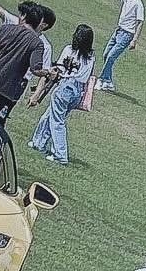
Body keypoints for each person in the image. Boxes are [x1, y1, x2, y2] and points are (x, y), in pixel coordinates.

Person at [29, 23, 96, 166]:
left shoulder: (68, 50)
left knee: (57, 121)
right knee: (50, 115)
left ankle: (60, 155)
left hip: (65, 87)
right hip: (77, 91)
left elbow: (59, 70)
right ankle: (38, 142)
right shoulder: (91, 57)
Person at [0, 2, 50, 124]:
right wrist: (48, 73)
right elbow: (35, 69)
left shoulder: (5, 28)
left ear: (24, 17)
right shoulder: (37, 43)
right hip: (6, 90)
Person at [95, 0, 146, 91]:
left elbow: (140, 22)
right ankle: (108, 81)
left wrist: (134, 40)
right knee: (106, 54)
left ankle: (101, 79)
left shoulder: (138, 4)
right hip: (118, 31)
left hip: (127, 34)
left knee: (111, 56)